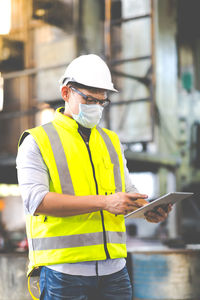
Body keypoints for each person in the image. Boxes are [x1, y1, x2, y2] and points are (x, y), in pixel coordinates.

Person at [16, 54, 171, 300]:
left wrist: (147, 208)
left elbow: (127, 190)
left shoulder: (111, 141)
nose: (96, 107)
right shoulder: (37, 140)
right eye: (89, 99)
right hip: (63, 272)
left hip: (115, 270)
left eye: (102, 101)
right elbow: (36, 201)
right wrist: (105, 202)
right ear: (66, 92)